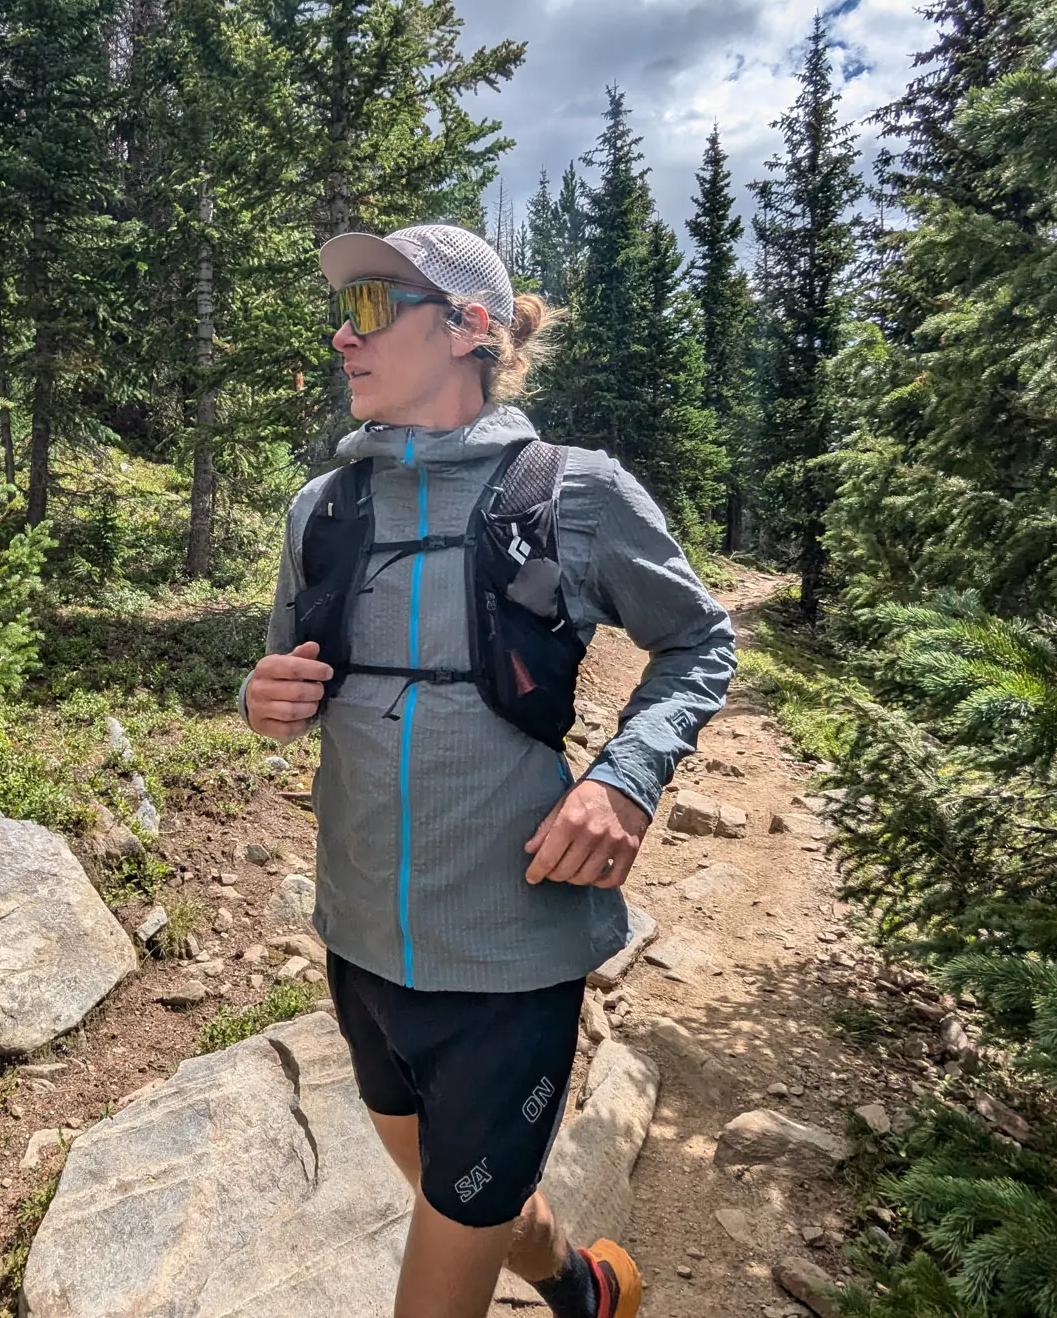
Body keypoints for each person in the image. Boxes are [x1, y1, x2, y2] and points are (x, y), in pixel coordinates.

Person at [239, 224, 736, 1318]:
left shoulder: (579, 494)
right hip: (358, 941)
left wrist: (624, 777)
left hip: (511, 957)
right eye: (341, 309)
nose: (340, 332)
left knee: (452, 1226)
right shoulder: (317, 512)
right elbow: (283, 679)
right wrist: (258, 698)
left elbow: (700, 640)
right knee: (462, 1193)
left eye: (372, 307)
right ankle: (580, 1287)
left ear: (468, 328)